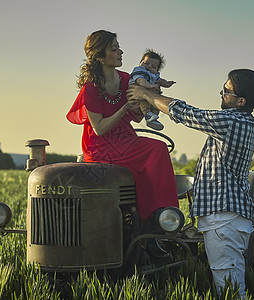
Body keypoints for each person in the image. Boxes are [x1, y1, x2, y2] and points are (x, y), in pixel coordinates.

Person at [127, 69, 254, 298]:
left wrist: (148, 95)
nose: (221, 93)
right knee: (230, 287)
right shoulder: (245, 122)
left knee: (231, 291)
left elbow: (187, 114)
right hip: (228, 218)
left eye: (226, 91)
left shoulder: (232, 121)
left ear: (241, 100)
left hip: (225, 220)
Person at [66, 30, 179, 231]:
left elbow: (135, 118)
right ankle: (148, 220)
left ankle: (161, 219)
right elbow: (99, 128)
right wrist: (125, 108)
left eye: (119, 47)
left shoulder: (127, 79)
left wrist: (145, 104)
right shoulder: (91, 88)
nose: (121, 52)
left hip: (126, 140)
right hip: (100, 147)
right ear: (100, 56)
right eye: (114, 48)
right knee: (154, 152)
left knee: (158, 149)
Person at [129, 49, 176, 131]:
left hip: (149, 93)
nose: (149, 66)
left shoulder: (155, 75)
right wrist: (149, 86)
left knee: (157, 104)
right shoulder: (140, 70)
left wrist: (167, 84)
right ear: (140, 63)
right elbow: (140, 80)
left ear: (157, 70)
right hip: (136, 92)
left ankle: (152, 119)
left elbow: (161, 81)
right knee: (143, 99)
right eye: (146, 63)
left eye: (153, 66)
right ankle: (147, 113)